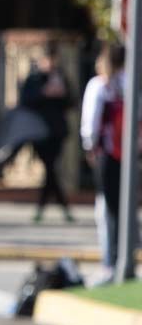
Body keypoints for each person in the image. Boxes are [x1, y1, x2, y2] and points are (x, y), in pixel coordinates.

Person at [81, 44, 129, 284]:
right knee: (125, 208)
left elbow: (90, 124)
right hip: (128, 155)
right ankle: (125, 256)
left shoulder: (99, 85)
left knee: (106, 210)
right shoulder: (130, 83)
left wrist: (90, 148)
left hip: (107, 154)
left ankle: (110, 261)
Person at [20, 45, 75, 223]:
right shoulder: (35, 79)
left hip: (57, 131)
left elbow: (72, 101)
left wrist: (61, 94)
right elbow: (25, 100)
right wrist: (44, 93)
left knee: (51, 169)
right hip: (39, 131)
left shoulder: (61, 77)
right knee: (50, 169)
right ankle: (62, 208)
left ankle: (44, 208)